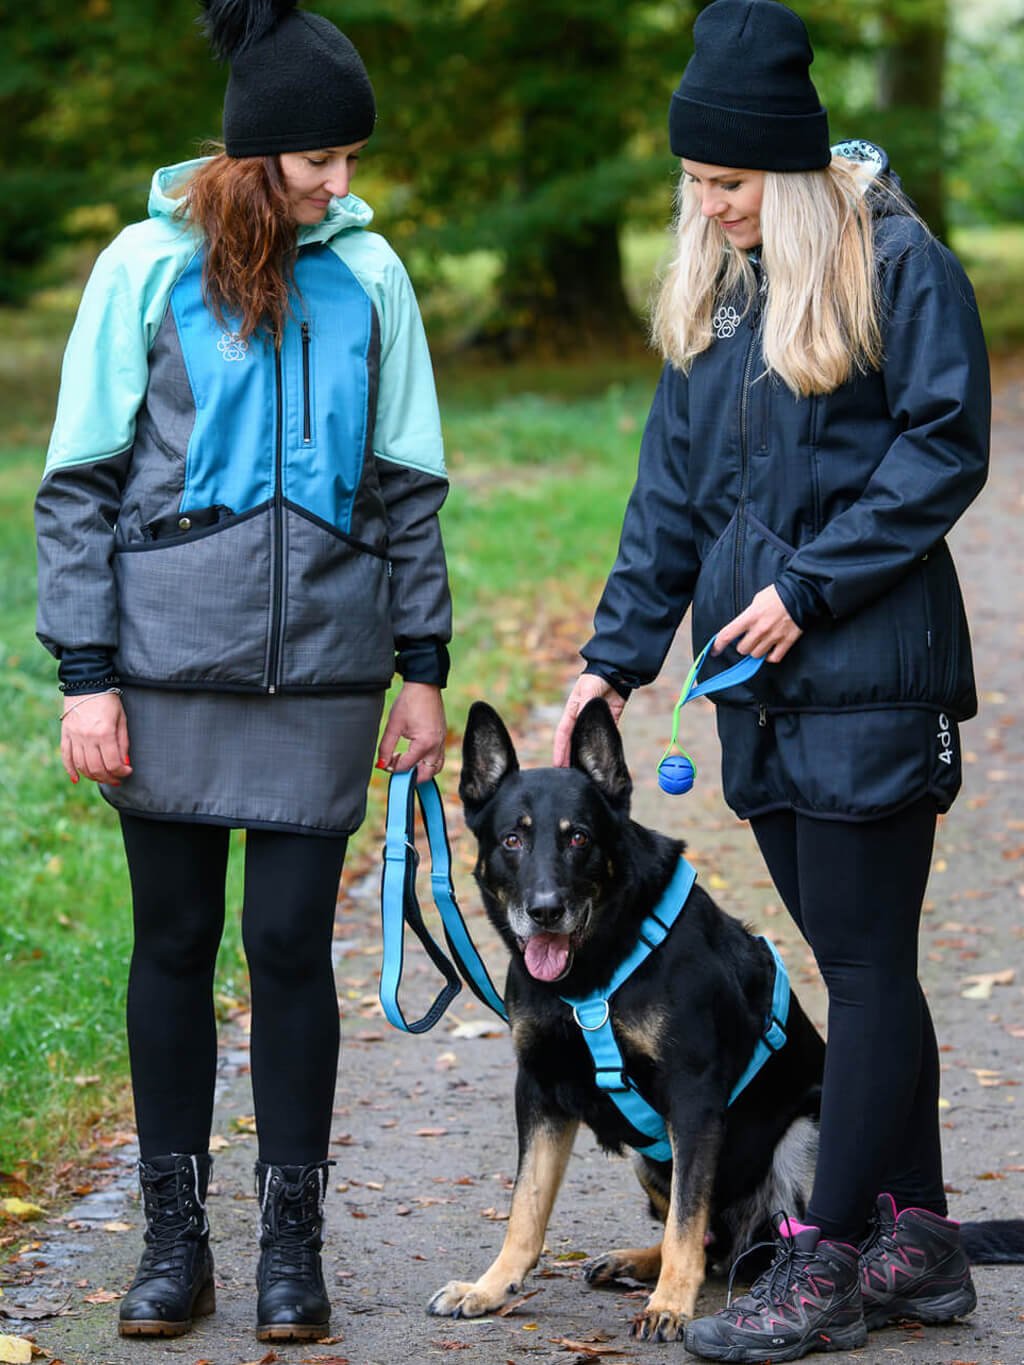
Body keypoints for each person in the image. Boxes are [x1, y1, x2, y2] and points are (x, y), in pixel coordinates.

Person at [553, 1, 990, 1360]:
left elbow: (945, 446)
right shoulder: (715, 300)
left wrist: (809, 588)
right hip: (761, 695)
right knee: (864, 969)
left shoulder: (895, 264)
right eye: (693, 184)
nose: (711, 207)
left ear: (792, 174)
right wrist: (613, 660)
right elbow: (668, 502)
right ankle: (917, 1234)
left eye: (730, 184)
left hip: (868, 669)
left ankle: (831, 1254)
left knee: (859, 970)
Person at [34, 0, 451, 1344]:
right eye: (321, 159)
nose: (343, 181)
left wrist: (426, 674)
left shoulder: (373, 276)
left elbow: (407, 488)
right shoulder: (139, 269)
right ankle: (172, 1249)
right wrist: (85, 674)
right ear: (257, 153)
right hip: (158, 672)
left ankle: (289, 1252)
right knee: (170, 944)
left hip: (326, 673)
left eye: (348, 157)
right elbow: (79, 486)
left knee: (284, 945)